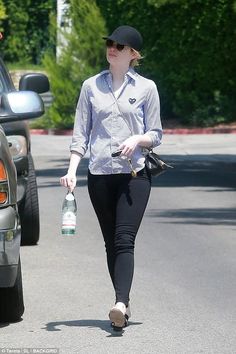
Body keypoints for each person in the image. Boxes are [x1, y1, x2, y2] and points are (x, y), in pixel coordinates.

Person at [60, 25, 162, 330]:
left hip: (134, 175)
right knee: (110, 242)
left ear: (132, 54)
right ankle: (124, 304)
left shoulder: (146, 88)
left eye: (119, 46)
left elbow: (156, 134)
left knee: (123, 239)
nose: (112, 49)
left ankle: (119, 302)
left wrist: (138, 139)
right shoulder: (91, 86)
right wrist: (71, 171)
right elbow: (81, 134)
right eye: (110, 43)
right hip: (100, 175)